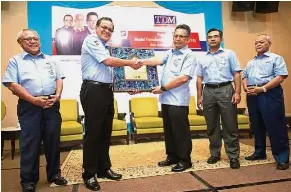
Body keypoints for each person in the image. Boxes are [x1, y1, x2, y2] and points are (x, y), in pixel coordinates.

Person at [80, 17, 141, 191]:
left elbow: (112, 72)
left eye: (110, 29)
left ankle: (103, 168)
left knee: (105, 132)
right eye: (104, 27)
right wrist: (131, 62)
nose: (107, 31)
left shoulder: (108, 48)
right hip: (92, 91)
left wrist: (128, 86)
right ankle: (89, 174)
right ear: (96, 27)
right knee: (93, 134)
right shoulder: (92, 40)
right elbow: (108, 62)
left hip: (106, 91)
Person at [2, 29, 67, 192]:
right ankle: (28, 181)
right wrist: (34, 100)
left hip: (51, 105)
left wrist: (57, 95)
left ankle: (54, 174)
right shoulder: (15, 61)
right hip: (29, 106)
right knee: (30, 143)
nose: (33, 41)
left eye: (35, 38)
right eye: (28, 39)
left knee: (53, 141)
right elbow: (12, 85)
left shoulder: (50, 60)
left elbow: (59, 78)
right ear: (20, 42)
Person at [138, 24, 197, 172]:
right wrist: (140, 62)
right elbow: (157, 61)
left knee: (180, 131)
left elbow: (183, 78)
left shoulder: (189, 55)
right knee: (169, 131)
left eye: (182, 36)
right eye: (176, 36)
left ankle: (185, 160)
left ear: (188, 39)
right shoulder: (170, 53)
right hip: (165, 99)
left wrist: (163, 88)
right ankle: (172, 157)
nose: (178, 39)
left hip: (178, 100)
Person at [196, 28, 241, 169]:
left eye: (216, 36)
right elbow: (199, 78)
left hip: (226, 89)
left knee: (230, 125)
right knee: (211, 125)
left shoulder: (229, 54)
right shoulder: (202, 58)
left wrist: (237, 92)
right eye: (210, 37)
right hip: (208, 91)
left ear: (221, 39)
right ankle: (215, 154)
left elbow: (237, 74)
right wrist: (199, 96)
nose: (213, 39)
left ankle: (233, 156)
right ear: (207, 40)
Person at [242, 34, 290, 170]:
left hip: (269, 93)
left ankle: (282, 157)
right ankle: (259, 152)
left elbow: (281, 76)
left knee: (275, 125)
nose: (258, 44)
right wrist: (245, 87)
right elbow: (244, 75)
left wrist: (263, 88)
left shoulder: (275, 58)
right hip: (253, 95)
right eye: (256, 42)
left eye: (261, 42)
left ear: (269, 43)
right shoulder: (251, 62)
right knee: (256, 125)